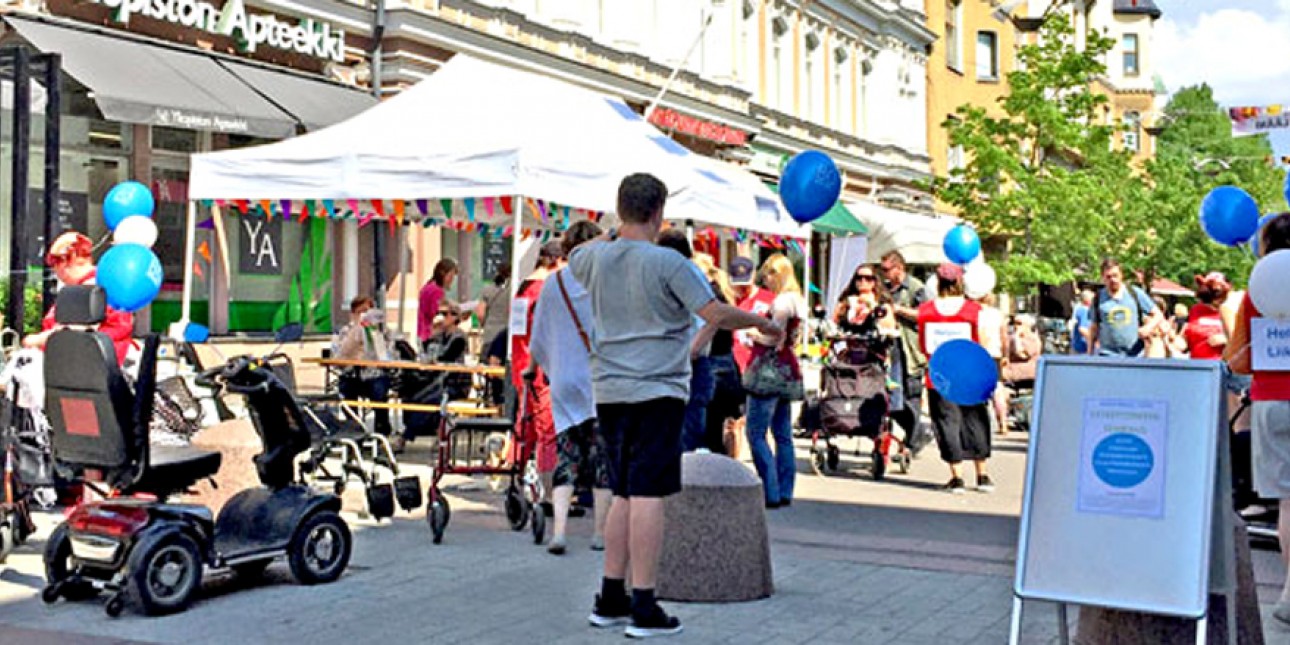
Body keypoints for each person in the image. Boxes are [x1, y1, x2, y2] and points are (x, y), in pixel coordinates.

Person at [571, 173, 782, 638]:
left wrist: (615, 228)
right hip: (657, 389)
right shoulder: (668, 264)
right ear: (658, 213)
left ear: (620, 209)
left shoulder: (592, 259)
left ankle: (610, 595)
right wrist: (761, 323)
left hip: (609, 390)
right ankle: (644, 602)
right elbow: (715, 313)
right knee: (648, 494)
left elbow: (577, 253)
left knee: (623, 490)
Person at [526, 221, 611, 556]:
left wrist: (533, 369)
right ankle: (599, 533)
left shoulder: (553, 284)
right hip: (599, 377)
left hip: (563, 379)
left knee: (567, 455)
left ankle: (559, 531)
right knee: (601, 456)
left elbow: (539, 338)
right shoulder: (604, 284)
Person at [1224, 212, 1290, 626]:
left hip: (1270, 402)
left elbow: (1240, 357)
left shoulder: (1256, 292)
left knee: (1287, 502)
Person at [917, 263, 993, 494]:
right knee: (976, 421)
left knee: (947, 422)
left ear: (938, 282)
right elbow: (983, 342)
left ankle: (957, 477)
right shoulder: (974, 310)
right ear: (961, 282)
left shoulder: (926, 311)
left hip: (940, 375)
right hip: (970, 374)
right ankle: (982, 475)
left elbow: (923, 345)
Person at [744, 253, 807, 509]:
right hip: (788, 368)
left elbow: (775, 338)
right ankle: (784, 488)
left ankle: (769, 489)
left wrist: (752, 332)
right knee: (783, 434)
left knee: (756, 432)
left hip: (769, 370)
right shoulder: (799, 300)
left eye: (769, 274)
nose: (765, 280)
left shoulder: (781, 302)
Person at [23, 232, 134, 364]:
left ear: (67, 260)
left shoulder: (89, 289)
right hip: (91, 364)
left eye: (54, 262)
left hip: (88, 367)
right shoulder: (103, 282)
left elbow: (70, 334)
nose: (54, 270)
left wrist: (33, 341)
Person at [513, 242, 565, 509]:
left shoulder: (522, 288)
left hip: (521, 364)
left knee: (526, 428)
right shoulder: (544, 290)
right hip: (540, 368)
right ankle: (548, 492)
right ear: (557, 262)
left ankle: (515, 479)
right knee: (547, 431)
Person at [655, 230, 716, 454]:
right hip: (680, 364)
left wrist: (691, 350)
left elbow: (712, 319)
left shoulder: (688, 275)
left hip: (689, 364)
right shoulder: (685, 274)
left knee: (685, 439)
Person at [395, 300, 470, 452]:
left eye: (444, 314)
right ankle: (436, 433)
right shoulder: (440, 335)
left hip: (455, 383)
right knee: (413, 396)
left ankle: (405, 437)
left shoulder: (459, 338)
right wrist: (431, 333)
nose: (440, 317)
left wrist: (433, 357)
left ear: (455, 317)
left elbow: (446, 358)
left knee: (428, 402)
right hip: (437, 381)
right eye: (438, 313)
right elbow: (425, 353)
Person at [880, 250, 931, 453]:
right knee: (892, 397)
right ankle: (917, 434)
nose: (883, 273)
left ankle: (915, 439)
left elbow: (925, 315)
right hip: (889, 347)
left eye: (886, 269)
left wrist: (899, 310)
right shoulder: (884, 288)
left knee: (911, 397)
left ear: (899, 268)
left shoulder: (916, 288)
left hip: (910, 350)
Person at [693, 253, 742, 454]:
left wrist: (693, 349)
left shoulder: (707, 295)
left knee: (708, 429)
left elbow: (710, 325)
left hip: (713, 362)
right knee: (721, 425)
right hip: (727, 363)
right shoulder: (722, 292)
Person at [334, 296, 394, 437]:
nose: (365, 315)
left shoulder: (382, 331)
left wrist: (376, 338)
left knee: (379, 391)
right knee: (346, 390)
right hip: (351, 375)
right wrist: (355, 332)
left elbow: (390, 355)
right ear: (353, 314)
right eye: (361, 312)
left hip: (374, 374)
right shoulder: (344, 331)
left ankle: (381, 430)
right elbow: (338, 355)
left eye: (368, 311)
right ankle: (354, 429)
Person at [1086, 258, 1164, 357]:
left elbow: (1158, 315)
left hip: (1135, 355)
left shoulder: (1135, 293)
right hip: (1107, 355)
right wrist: (1089, 353)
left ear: (1121, 275)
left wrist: (1148, 327)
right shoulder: (1098, 298)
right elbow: (1094, 327)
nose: (1112, 280)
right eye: (1108, 277)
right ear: (1103, 278)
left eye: (1115, 275)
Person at [731, 256, 775, 372]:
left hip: (760, 363)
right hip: (735, 363)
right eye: (738, 283)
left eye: (746, 282)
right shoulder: (729, 300)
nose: (742, 287)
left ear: (753, 275)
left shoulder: (769, 299)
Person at [833, 264, 895, 334]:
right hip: (850, 343)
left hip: (875, 343)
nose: (863, 281)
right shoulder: (845, 302)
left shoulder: (882, 304)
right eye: (859, 278)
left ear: (874, 281)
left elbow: (889, 328)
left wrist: (872, 305)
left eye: (868, 278)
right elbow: (833, 327)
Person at [1184, 273, 1231, 361]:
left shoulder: (1232, 310)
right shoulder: (1196, 310)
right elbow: (1188, 336)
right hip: (1198, 362)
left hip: (1224, 364)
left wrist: (1227, 339)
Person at [418, 258, 457, 353]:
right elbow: (437, 316)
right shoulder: (437, 291)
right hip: (432, 335)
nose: (451, 280)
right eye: (450, 276)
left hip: (422, 333)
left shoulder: (428, 287)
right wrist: (456, 317)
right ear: (442, 274)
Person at [476, 264, 512, 366]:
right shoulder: (513, 290)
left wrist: (484, 325)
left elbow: (480, 314)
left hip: (489, 335)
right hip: (506, 336)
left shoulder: (487, 290)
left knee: (486, 370)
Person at [1068, 289, 1094, 355]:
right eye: (1093, 299)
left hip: (1078, 347)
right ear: (1087, 300)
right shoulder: (1084, 311)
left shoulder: (1080, 309)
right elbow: (1082, 329)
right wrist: (1092, 340)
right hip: (1081, 349)